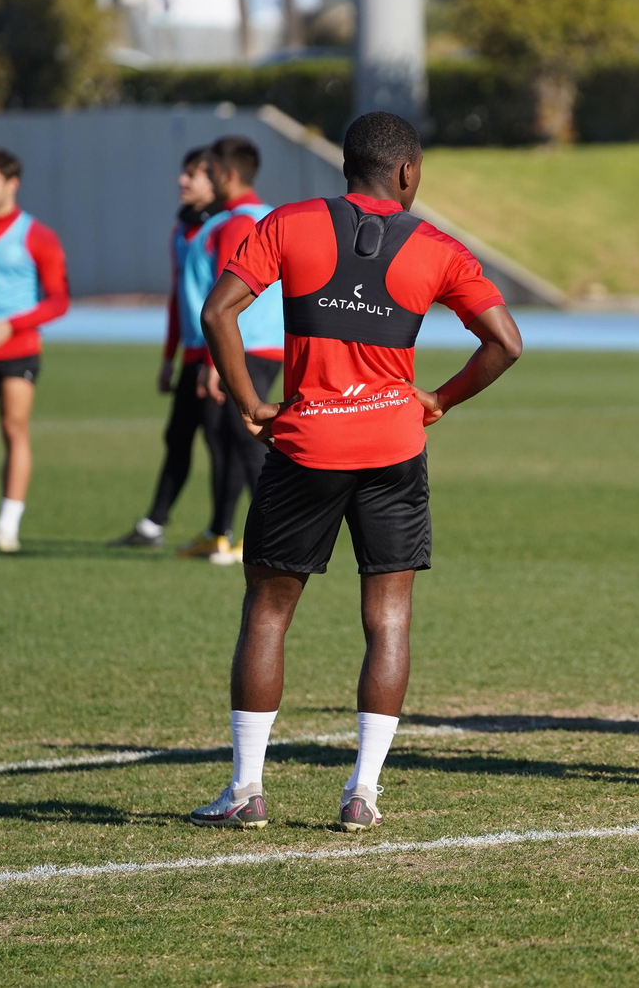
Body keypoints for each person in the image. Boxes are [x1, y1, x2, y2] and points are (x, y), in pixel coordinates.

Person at [189, 111, 522, 831]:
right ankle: (361, 795)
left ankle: (246, 792)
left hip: (305, 445)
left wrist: (250, 403)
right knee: (389, 618)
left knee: (269, 612)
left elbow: (219, 313)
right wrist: (438, 398)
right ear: (407, 172)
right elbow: (506, 342)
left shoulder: (290, 222)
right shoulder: (436, 246)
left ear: (346, 165)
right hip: (393, 449)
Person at [110, 147, 223, 549]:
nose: (183, 181)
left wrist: (216, 361)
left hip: (217, 357)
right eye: (184, 173)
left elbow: (226, 302)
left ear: (216, 181)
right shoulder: (181, 230)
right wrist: (167, 358)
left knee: (222, 444)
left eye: (193, 175)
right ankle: (153, 525)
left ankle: (221, 531)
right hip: (192, 354)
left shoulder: (225, 227)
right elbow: (179, 298)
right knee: (177, 437)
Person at [179, 135, 284, 566]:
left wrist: (213, 361)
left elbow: (223, 301)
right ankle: (220, 532)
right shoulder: (261, 217)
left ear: (228, 173)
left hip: (244, 347)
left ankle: (267, 535)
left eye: (211, 170)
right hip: (254, 345)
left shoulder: (238, 223)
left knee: (248, 441)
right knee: (226, 440)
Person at [0, 148, 69, 553]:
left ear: (12, 184)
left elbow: (59, 300)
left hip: (17, 350)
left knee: (13, 429)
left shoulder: (36, 235)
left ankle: (8, 525)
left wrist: (10, 324)